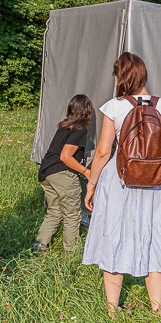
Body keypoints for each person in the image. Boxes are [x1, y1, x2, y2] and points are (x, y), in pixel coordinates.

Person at [83, 53, 161, 317]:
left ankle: (113, 310)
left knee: (115, 237)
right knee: (155, 240)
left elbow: (103, 152)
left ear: (122, 77)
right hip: (156, 182)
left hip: (121, 181)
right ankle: (156, 311)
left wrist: (91, 184)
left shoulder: (114, 107)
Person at [33, 94, 93, 254]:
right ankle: (71, 254)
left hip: (46, 172)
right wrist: (86, 172)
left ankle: (39, 247)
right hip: (62, 174)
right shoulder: (80, 129)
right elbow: (65, 156)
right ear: (87, 111)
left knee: (55, 211)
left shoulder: (64, 126)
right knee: (72, 214)